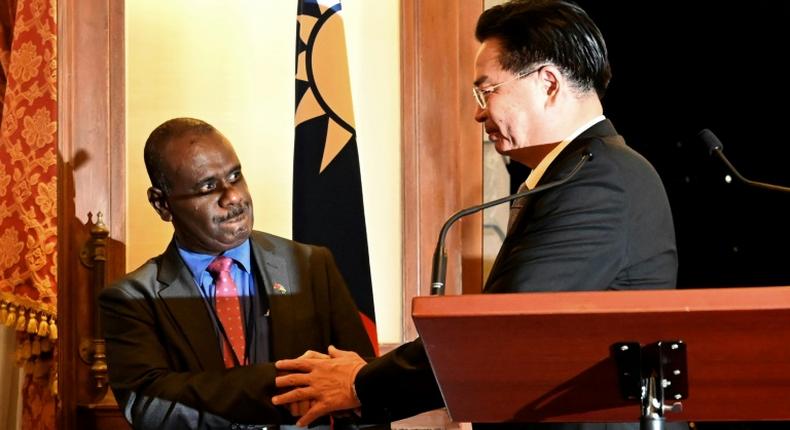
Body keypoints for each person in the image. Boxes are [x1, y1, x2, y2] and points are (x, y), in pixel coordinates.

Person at [272, 1, 684, 429]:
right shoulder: (586, 172)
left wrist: (360, 383)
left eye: (487, 91)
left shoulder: (600, 183)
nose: (478, 111)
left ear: (548, 84)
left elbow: (505, 326)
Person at [98, 117, 376, 429]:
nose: (233, 197)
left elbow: (362, 387)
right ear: (162, 204)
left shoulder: (310, 265)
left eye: (236, 176)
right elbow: (151, 406)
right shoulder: (132, 298)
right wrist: (284, 383)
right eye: (207, 186)